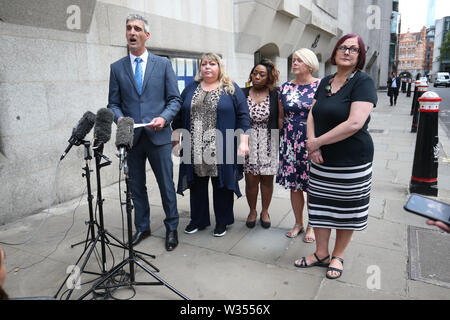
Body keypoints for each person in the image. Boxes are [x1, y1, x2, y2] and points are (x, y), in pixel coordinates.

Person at [299, 34, 377, 280]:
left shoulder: (363, 82)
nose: (347, 52)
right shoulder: (325, 81)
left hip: (352, 161)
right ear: (334, 53)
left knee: (346, 210)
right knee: (320, 207)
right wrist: (313, 147)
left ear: (359, 56)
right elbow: (312, 113)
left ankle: (338, 256)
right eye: (343, 47)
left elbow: (355, 122)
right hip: (321, 160)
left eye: (353, 49)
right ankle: (321, 253)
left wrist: (317, 142)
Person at [107, 14, 181, 251]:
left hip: (158, 137)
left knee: (166, 185)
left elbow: (174, 99)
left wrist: (164, 117)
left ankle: (171, 227)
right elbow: (113, 103)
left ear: (146, 35)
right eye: (128, 28)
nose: (132, 32)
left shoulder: (163, 64)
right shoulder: (117, 68)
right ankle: (143, 226)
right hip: (133, 139)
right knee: (136, 186)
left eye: (137, 28)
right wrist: (120, 119)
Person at [172, 53, 250, 237]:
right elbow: (178, 117)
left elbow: (243, 116)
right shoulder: (191, 88)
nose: (207, 67)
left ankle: (222, 221)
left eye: (212, 63)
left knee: (221, 185)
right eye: (204, 64)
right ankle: (198, 219)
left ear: (219, 67)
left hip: (222, 146)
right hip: (194, 146)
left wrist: (243, 142)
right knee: (197, 184)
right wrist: (176, 141)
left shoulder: (230, 88)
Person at [276, 48, 319, 242]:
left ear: (310, 65)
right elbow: (280, 116)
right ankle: (298, 223)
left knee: (311, 186)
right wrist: (282, 142)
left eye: (299, 60)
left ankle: (312, 225)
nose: (294, 63)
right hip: (290, 141)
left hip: (311, 140)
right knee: (294, 186)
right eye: (293, 60)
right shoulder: (285, 87)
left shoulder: (320, 86)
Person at [241, 59, 280, 229]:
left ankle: (265, 211)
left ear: (268, 78)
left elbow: (280, 118)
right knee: (250, 180)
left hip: (268, 141)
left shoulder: (275, 94)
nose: (256, 76)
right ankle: (252, 211)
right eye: (255, 73)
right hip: (248, 141)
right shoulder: (242, 93)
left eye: (261, 74)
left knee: (266, 179)